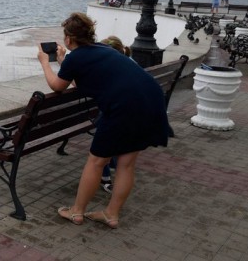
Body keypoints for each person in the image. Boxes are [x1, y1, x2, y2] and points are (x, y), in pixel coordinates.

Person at [37, 12, 169, 228]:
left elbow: (57, 86)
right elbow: (84, 80)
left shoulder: (76, 58)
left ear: (69, 39)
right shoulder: (104, 49)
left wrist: (45, 62)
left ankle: (76, 212)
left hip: (124, 108)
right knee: (126, 164)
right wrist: (63, 61)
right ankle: (111, 214)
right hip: (151, 102)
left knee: (97, 161)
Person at [97, 36, 132, 193]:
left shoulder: (109, 68)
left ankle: (105, 178)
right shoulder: (130, 63)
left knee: (103, 143)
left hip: (117, 115)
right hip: (133, 113)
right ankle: (112, 164)